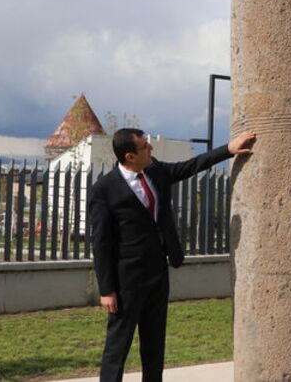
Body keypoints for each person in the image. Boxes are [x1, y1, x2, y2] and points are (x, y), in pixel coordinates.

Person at [89, 127, 255, 382]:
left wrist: (228, 150)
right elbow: (101, 243)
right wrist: (106, 290)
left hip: (157, 273)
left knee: (154, 345)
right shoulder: (105, 189)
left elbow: (191, 165)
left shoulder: (156, 172)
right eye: (145, 146)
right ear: (129, 156)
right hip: (126, 282)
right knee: (117, 347)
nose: (150, 148)